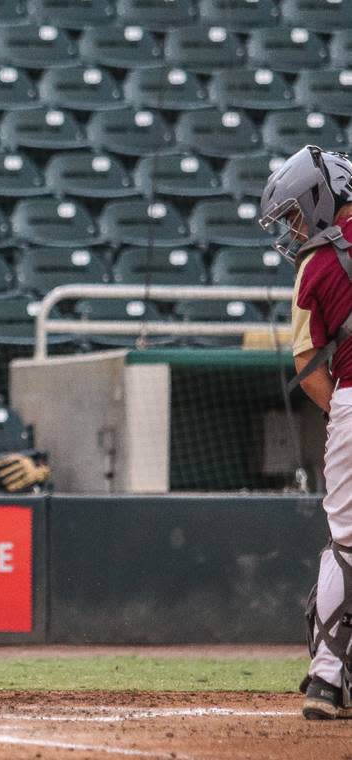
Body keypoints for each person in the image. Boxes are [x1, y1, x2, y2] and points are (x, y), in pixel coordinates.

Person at [259, 145, 352, 721]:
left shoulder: (315, 263)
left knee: (346, 542)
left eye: (296, 213)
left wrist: (339, 414)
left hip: (351, 400)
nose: (295, 227)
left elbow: (308, 364)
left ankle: (326, 677)